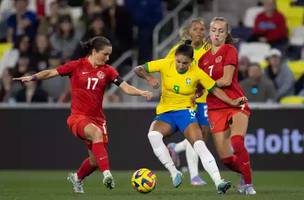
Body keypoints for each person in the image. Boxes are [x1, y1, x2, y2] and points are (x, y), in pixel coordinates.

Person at [13, 36, 153, 193]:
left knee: (94, 161)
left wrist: (141, 92)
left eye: (109, 55)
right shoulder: (76, 65)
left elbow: (125, 87)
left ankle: (77, 178)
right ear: (94, 52)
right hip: (78, 117)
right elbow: (51, 72)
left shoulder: (108, 71)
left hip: (98, 119)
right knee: (96, 134)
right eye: (105, 54)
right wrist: (32, 77)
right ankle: (107, 175)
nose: (108, 58)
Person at [134, 42, 247, 194]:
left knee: (199, 144)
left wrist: (232, 101)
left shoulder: (197, 72)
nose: (180, 65)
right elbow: (138, 69)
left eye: (185, 63)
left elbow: (214, 89)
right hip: (166, 113)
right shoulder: (165, 64)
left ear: (191, 62)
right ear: (175, 58)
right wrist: (149, 79)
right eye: (178, 61)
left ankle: (219, 182)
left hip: (186, 112)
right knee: (153, 135)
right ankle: (175, 172)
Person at [148, 18, 211, 186]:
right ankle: (194, 176)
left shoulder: (209, 49)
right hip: (185, 100)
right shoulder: (179, 50)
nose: (199, 32)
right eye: (195, 29)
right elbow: (167, 67)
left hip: (204, 98)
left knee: (202, 136)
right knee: (195, 135)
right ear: (189, 32)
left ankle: (176, 148)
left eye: (202, 29)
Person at [198, 17, 256, 195]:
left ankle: (247, 184)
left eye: (221, 31)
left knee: (237, 141)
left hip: (235, 102)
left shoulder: (230, 50)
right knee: (226, 159)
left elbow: (226, 80)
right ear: (209, 32)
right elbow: (200, 88)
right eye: (214, 30)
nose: (216, 34)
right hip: (215, 108)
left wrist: (206, 84)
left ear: (226, 34)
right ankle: (244, 173)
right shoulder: (202, 60)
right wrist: (193, 93)